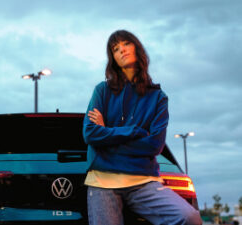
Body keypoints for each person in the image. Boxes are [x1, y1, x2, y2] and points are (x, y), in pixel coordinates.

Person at [82, 30, 202, 225]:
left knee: (190, 218)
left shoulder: (157, 97)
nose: (121, 50)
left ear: (137, 48)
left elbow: (154, 145)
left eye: (125, 44)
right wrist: (134, 132)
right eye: (115, 48)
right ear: (112, 58)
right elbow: (90, 134)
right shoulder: (102, 91)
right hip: (103, 183)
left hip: (143, 182)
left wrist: (106, 137)